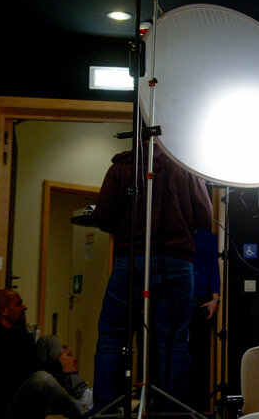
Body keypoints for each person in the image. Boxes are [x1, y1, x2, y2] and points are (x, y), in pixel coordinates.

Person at [88, 143, 213, 413]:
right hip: (177, 263)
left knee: (113, 338)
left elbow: (104, 218)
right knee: (174, 343)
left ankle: (108, 412)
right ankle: (172, 413)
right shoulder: (186, 165)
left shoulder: (123, 165)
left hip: (132, 259)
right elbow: (205, 216)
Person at [0, 288, 92, 419]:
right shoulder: (0, 338)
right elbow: (23, 373)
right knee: (42, 379)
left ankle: (84, 394)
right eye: (18, 304)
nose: (25, 307)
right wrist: (60, 366)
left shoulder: (20, 331)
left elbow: (31, 362)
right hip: (9, 404)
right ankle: (84, 412)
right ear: (4, 311)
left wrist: (59, 362)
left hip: (26, 382)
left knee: (48, 341)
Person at [188, 227, 220, 413]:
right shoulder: (178, 231)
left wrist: (215, 297)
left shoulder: (208, 237)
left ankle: (197, 405)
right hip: (176, 298)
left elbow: (213, 266)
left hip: (200, 298)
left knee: (198, 355)